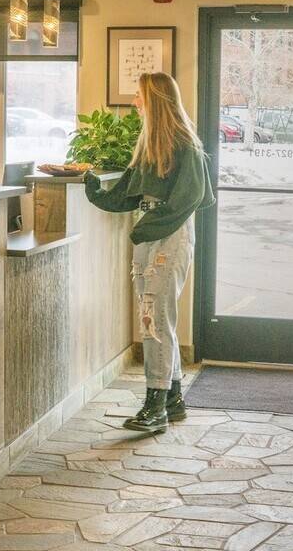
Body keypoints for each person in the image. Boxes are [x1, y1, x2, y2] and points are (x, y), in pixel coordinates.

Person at [84, 72, 215, 433]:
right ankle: (172, 400)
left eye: (140, 96)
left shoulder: (185, 145)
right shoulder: (149, 144)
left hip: (169, 236)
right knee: (154, 317)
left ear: (155, 99)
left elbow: (190, 198)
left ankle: (155, 406)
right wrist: (93, 188)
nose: (135, 102)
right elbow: (125, 194)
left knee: (154, 320)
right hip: (151, 234)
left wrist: (147, 225)